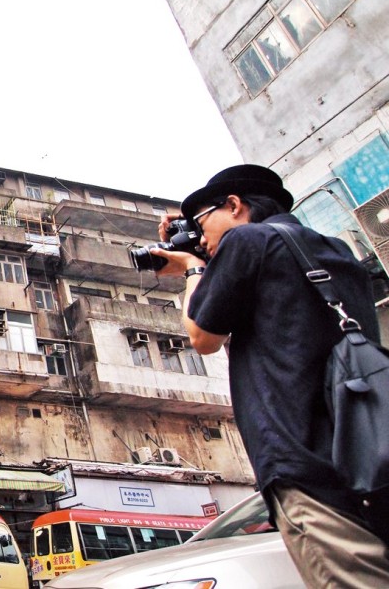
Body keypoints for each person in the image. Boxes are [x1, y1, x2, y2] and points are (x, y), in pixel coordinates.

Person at [150, 164, 389, 587]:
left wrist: (192, 268)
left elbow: (203, 336)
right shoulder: (335, 250)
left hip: (303, 463)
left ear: (235, 206)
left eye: (202, 223)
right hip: (368, 455)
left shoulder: (246, 240)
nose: (202, 237)